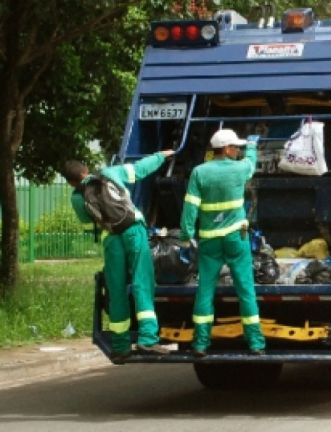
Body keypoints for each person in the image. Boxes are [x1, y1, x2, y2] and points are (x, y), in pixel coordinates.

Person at [62, 150, 175, 362]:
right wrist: (160, 155)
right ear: (86, 170)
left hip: (111, 238)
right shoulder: (109, 173)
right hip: (133, 230)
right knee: (142, 281)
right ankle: (148, 339)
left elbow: (89, 224)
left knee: (116, 290)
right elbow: (140, 169)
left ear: (70, 182)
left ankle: (121, 346)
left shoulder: (77, 197)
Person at [180, 129, 265, 357]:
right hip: (236, 238)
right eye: (235, 147)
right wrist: (253, 146)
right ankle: (255, 343)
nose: (237, 151)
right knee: (245, 289)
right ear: (226, 149)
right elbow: (251, 163)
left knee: (205, 290)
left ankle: (200, 343)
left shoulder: (199, 172)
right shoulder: (239, 169)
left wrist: (186, 235)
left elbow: (190, 206)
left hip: (209, 242)